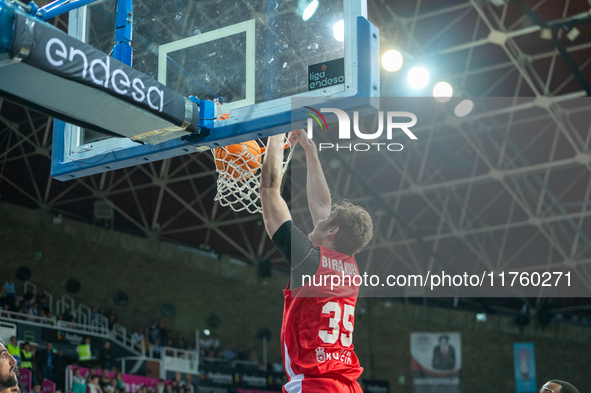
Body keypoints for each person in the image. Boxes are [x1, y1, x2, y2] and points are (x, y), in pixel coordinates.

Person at [260, 130, 373, 393]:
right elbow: (322, 204)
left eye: (326, 220)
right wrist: (309, 149)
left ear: (332, 232)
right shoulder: (350, 267)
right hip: (346, 385)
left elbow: (268, 192)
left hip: (316, 384)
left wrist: (275, 135)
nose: (319, 219)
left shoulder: (309, 262)